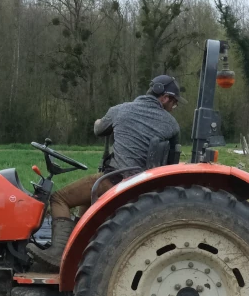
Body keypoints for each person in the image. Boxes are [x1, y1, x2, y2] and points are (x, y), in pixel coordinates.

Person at [27, 75, 184, 269]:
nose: (173, 108)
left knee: (59, 199)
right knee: (84, 201)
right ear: (165, 97)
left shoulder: (120, 110)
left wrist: (99, 120)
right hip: (139, 184)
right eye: (174, 103)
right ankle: (74, 250)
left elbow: (99, 130)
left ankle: (58, 254)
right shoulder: (171, 124)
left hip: (114, 180)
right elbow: (172, 161)